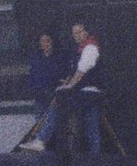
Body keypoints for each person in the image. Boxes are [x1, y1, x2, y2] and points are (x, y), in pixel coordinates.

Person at [44, 21, 105, 152]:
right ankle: (94, 155)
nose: (76, 36)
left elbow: (81, 71)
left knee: (59, 104)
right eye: (74, 33)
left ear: (86, 32)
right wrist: (68, 81)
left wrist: (69, 86)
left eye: (79, 32)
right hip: (85, 91)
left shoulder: (90, 48)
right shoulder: (80, 49)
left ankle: (43, 138)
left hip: (89, 91)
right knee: (91, 125)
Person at [18, 30, 67, 147]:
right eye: (43, 41)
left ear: (52, 42)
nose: (45, 44)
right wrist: (33, 89)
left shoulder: (58, 57)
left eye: (48, 41)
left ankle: (42, 141)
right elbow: (33, 74)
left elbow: (60, 75)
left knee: (51, 118)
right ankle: (38, 143)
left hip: (53, 94)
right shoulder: (36, 58)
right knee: (39, 121)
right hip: (39, 93)